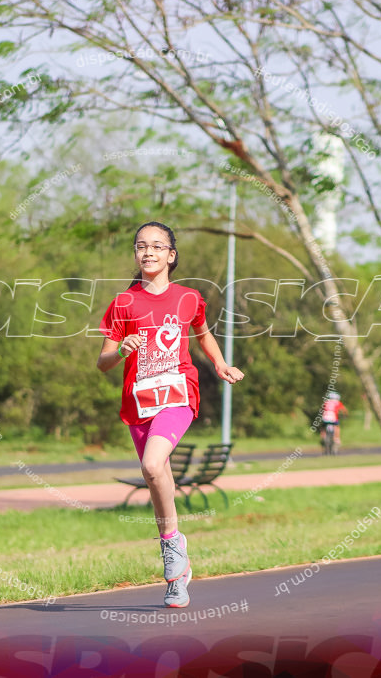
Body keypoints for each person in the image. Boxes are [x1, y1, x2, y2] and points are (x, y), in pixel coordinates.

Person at [97, 221, 244, 607]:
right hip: (139, 402)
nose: (149, 252)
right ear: (135, 253)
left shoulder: (189, 298)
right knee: (153, 473)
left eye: (158, 246)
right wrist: (122, 350)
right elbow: (103, 362)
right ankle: (175, 555)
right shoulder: (123, 303)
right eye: (141, 246)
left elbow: (202, 332)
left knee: (152, 462)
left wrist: (220, 363)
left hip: (179, 395)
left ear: (171, 255)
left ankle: (173, 554)